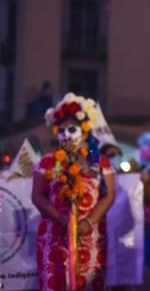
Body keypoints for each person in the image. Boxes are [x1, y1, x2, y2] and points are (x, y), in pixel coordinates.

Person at [32, 93, 116, 291]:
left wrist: (88, 222)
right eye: (61, 131)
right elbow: (37, 196)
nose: (66, 135)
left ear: (84, 131)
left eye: (71, 129)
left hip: (91, 236)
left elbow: (109, 194)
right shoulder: (47, 162)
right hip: (54, 236)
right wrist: (61, 219)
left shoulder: (99, 162)